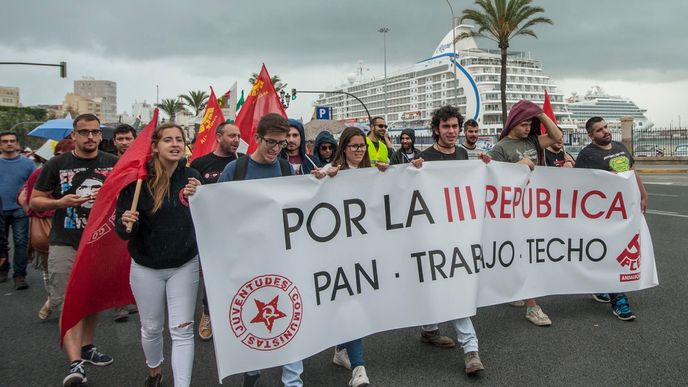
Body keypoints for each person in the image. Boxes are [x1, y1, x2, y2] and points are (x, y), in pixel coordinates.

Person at [31, 113, 118, 387]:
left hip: (98, 243)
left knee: (91, 300)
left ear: (100, 136)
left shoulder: (112, 163)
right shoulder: (57, 164)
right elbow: (36, 200)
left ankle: (87, 347)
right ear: (74, 135)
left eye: (94, 132)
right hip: (64, 241)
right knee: (69, 301)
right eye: (84, 132)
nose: (90, 137)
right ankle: (75, 362)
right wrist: (61, 203)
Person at [218, 113, 303, 387]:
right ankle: (251, 372)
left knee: (291, 314)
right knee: (252, 316)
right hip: (247, 259)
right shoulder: (236, 169)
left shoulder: (286, 169)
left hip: (280, 257)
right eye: (271, 142)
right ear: (256, 138)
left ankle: (293, 380)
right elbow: (216, 208)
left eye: (281, 144)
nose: (276, 149)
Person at [116, 122, 202, 387]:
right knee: (151, 328)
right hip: (146, 266)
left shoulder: (191, 177)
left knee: (183, 330)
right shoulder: (137, 181)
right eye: (168, 139)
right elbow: (124, 232)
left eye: (179, 139)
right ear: (155, 146)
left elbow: (208, 217)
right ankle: (154, 369)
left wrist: (201, 196)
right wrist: (127, 222)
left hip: (184, 263)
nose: (175, 144)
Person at [416, 105, 489, 375]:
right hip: (432, 233)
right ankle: (429, 329)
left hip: (458, 233)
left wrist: (483, 167)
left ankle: (471, 349)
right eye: (445, 127)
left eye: (454, 127)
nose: (451, 131)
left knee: (454, 286)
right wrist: (414, 172)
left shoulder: (461, 153)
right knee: (431, 282)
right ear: (436, 129)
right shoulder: (425, 157)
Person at [488, 99, 563, 327]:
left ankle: (515, 289)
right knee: (524, 254)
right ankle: (533, 306)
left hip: (535, 206)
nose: (528, 128)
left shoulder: (533, 140)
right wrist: (515, 167)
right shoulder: (500, 148)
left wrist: (539, 114)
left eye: (530, 124)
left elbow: (557, 137)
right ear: (513, 123)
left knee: (527, 253)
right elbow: (493, 178)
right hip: (514, 209)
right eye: (524, 124)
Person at [575, 116, 648, 321]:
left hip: (626, 210)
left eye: (606, 127)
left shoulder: (620, 147)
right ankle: (619, 299)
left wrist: (643, 194)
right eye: (599, 130)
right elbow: (578, 185)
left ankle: (601, 284)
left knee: (619, 250)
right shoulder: (587, 155)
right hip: (603, 214)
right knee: (612, 253)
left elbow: (632, 172)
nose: (605, 131)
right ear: (591, 135)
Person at [189, 122, 243, 340]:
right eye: (232, 136)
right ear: (218, 136)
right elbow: (193, 196)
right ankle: (209, 312)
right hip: (211, 229)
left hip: (238, 229)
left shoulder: (243, 162)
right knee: (212, 274)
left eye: (239, 136)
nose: (237, 140)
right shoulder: (200, 163)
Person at [17, 139, 75, 320]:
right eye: (60, 154)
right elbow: (24, 197)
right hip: (47, 226)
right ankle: (55, 300)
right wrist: (37, 212)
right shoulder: (43, 172)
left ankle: (58, 302)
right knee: (50, 269)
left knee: (71, 269)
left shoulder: (79, 172)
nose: (64, 158)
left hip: (73, 224)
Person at [0, 131, 37, 289]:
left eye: (12, 141)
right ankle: (3, 270)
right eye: (5, 141)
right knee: (1, 243)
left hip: (20, 210)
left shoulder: (28, 164)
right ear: (0, 144)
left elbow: (35, 185)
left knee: (21, 242)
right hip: (0, 209)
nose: (9, 143)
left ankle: (20, 276)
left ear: (17, 144)